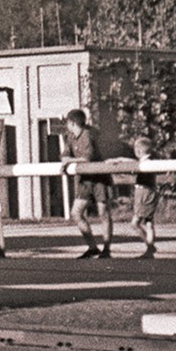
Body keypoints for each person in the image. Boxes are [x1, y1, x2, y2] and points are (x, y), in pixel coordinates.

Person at [62, 108, 112, 259]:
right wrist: (66, 158)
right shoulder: (71, 137)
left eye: (68, 123)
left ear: (72, 123)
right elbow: (65, 153)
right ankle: (92, 247)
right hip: (84, 180)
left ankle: (107, 249)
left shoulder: (89, 134)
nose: (67, 126)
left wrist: (69, 160)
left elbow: (88, 157)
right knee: (76, 213)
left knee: (103, 213)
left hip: (99, 179)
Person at [125, 133, 159, 258]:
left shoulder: (146, 163)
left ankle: (150, 246)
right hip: (146, 192)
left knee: (135, 223)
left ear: (138, 151)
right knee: (149, 223)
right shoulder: (147, 162)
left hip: (145, 193)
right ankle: (150, 249)